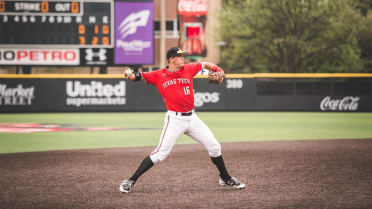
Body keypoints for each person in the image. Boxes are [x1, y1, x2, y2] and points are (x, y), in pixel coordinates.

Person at [119, 46, 245, 193]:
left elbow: (206, 65)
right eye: (180, 56)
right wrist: (129, 74)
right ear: (171, 59)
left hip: (192, 118)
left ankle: (225, 177)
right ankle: (130, 180)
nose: (183, 59)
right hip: (174, 120)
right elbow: (139, 76)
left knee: (215, 146)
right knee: (160, 154)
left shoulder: (189, 68)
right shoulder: (158, 75)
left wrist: (218, 69)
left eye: (183, 56)